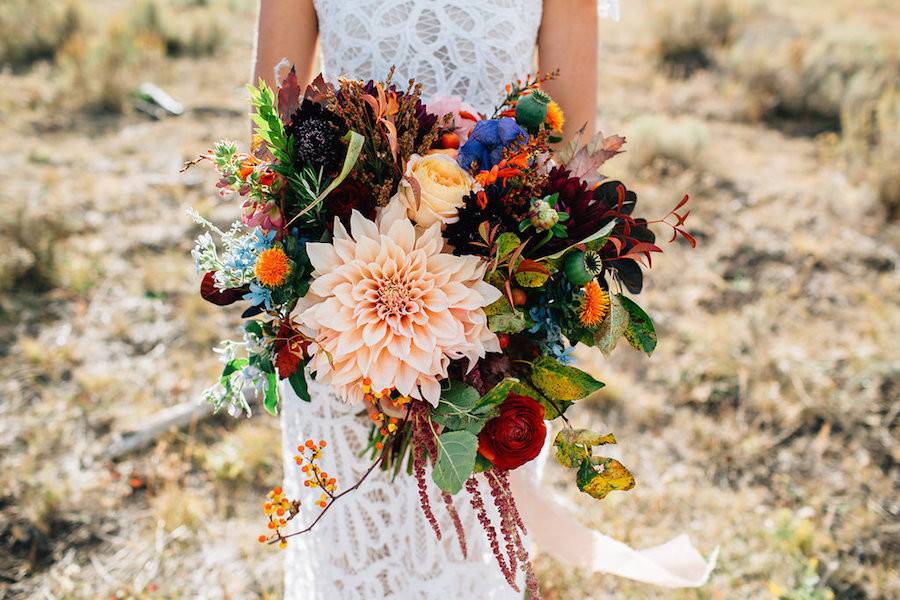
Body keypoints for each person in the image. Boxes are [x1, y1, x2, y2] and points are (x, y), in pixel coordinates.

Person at [253, 1, 716, 598]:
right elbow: (272, 137)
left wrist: (519, 298)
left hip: (492, 325)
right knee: (350, 558)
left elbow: (574, 153)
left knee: (466, 561)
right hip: (339, 313)